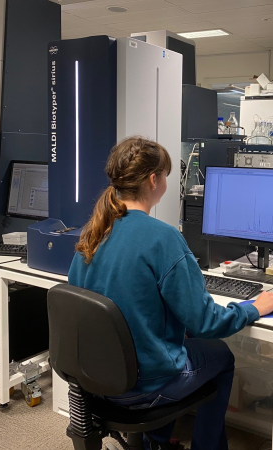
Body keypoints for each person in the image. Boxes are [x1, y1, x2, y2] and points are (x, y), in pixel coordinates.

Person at [68, 136, 273, 450]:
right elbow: (206, 322)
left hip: (95, 381)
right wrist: (254, 308)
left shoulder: (94, 231)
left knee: (187, 339)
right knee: (221, 355)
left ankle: (157, 440)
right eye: (166, 174)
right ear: (154, 180)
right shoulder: (162, 238)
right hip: (143, 387)